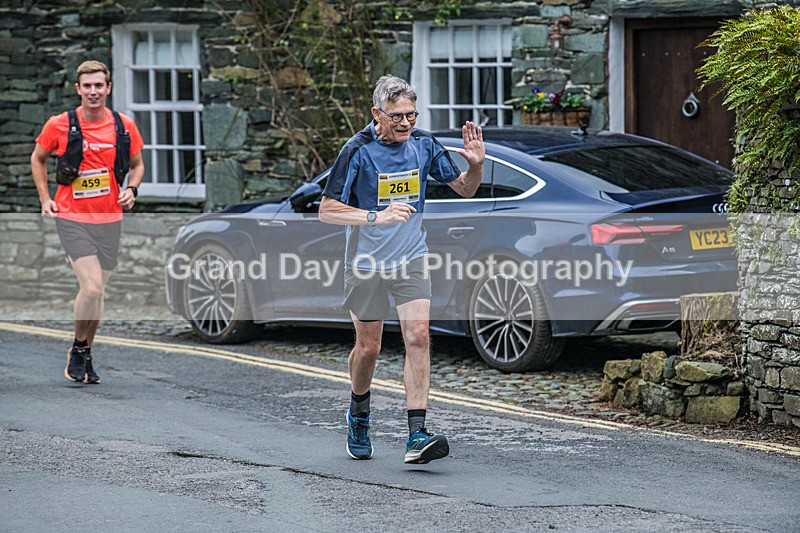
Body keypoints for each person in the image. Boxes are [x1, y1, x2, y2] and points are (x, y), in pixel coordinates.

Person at [318, 75, 484, 464]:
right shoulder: (357, 150)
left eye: (411, 114)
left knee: (419, 336)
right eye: (397, 116)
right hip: (366, 263)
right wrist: (377, 216)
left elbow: (464, 187)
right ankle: (358, 414)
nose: (406, 123)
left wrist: (476, 166)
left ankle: (416, 435)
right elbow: (327, 210)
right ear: (377, 113)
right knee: (370, 347)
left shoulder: (423, 144)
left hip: (411, 257)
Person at [31, 60, 144, 384]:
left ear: (108, 88)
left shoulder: (124, 126)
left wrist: (132, 189)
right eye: (87, 86)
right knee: (91, 287)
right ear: (78, 89)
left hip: (110, 217)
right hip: (72, 216)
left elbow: (137, 165)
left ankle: (85, 353)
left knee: (99, 292)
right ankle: (79, 347)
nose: (93, 91)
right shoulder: (59, 124)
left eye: (99, 85)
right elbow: (38, 159)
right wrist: (45, 199)